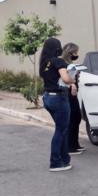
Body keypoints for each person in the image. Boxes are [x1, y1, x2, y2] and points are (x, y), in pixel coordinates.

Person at [39, 38, 76, 172]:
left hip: (47, 97)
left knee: (62, 129)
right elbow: (65, 79)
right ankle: (55, 162)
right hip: (59, 98)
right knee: (61, 130)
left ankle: (64, 160)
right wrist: (73, 81)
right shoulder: (58, 61)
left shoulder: (43, 63)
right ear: (57, 48)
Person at [61, 43, 85, 155]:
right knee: (72, 118)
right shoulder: (63, 64)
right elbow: (64, 79)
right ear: (69, 52)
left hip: (73, 94)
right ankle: (70, 146)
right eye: (75, 52)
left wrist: (77, 74)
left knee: (76, 117)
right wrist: (72, 83)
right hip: (67, 93)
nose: (76, 54)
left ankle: (75, 144)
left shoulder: (70, 65)